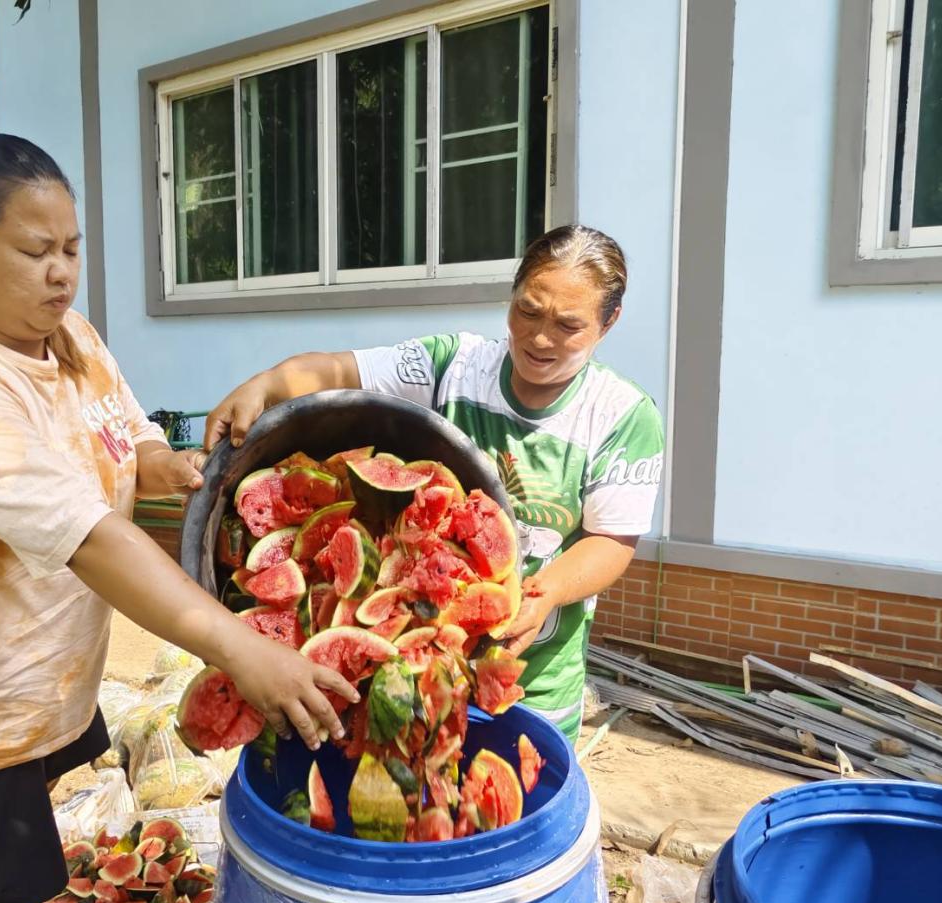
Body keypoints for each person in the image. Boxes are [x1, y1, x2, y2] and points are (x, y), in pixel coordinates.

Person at [0, 134, 357, 903]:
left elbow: (127, 432)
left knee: (4, 872)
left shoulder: (70, 334)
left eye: (72, 249)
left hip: (33, 680)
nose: (61, 272)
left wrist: (164, 464)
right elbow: (92, 539)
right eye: (35, 251)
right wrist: (239, 645)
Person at [205, 224, 664, 741]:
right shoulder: (454, 364)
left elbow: (612, 539)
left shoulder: (622, 414)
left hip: (532, 680)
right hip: (409, 671)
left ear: (608, 322)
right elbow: (338, 369)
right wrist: (266, 383)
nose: (539, 338)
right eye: (528, 310)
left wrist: (548, 591)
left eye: (568, 325)